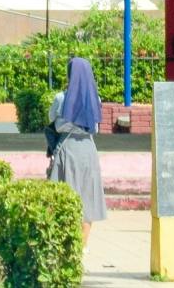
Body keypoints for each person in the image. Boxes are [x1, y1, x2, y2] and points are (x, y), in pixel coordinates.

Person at [47, 56, 106, 239]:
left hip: (67, 148)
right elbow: (95, 126)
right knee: (88, 196)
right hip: (88, 149)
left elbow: (52, 120)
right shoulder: (95, 98)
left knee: (61, 193)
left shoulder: (61, 98)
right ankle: (82, 245)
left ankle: (62, 239)